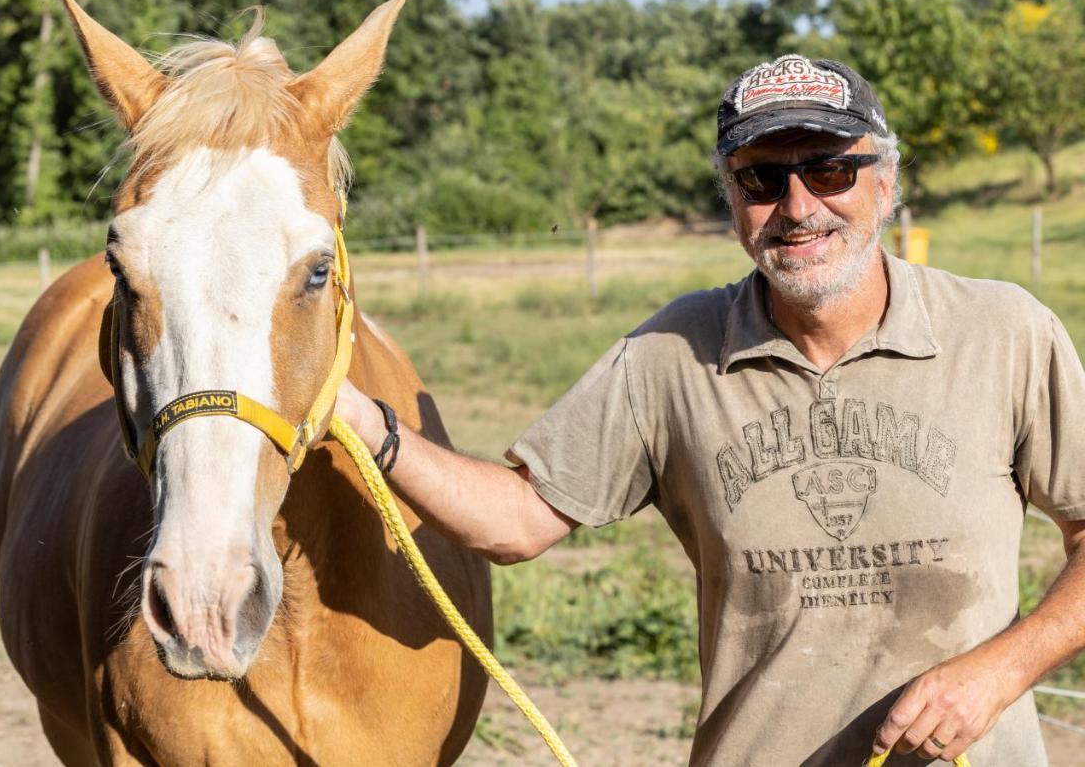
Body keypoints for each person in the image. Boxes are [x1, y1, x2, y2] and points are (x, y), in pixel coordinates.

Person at [336, 53, 1085, 765]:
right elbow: (520, 518)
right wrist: (367, 422)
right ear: (731, 199)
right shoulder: (673, 351)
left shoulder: (1004, 333)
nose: (798, 208)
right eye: (761, 178)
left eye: (830, 170)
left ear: (885, 183)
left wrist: (999, 672)